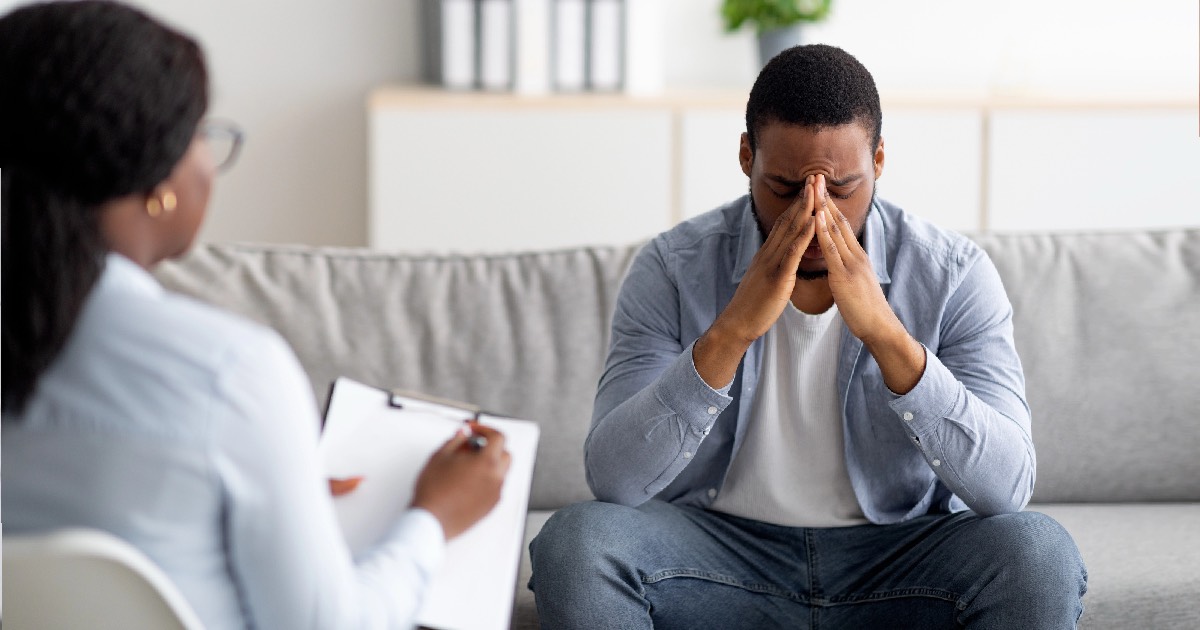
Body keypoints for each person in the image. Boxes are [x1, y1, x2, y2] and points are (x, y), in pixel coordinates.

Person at [529, 44, 1086, 629]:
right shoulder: (672, 268)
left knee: (1037, 553)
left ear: (878, 161)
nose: (816, 216)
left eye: (842, 188)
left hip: (898, 556)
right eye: (785, 188)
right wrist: (733, 330)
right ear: (747, 157)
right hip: (715, 556)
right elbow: (614, 479)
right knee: (578, 541)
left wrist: (885, 333)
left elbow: (1008, 489)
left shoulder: (953, 274)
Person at [0, 2, 510, 628]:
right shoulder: (228, 373)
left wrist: (275, 487)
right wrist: (435, 516)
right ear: (156, 184)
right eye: (200, 135)